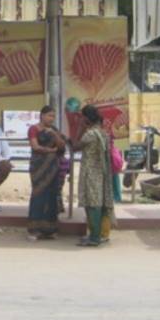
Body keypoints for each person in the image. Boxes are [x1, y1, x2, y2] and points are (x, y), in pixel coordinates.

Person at [69, 105, 116, 247]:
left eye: (83, 117)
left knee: (92, 204)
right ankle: (98, 235)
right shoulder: (103, 133)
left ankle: (94, 237)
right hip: (101, 172)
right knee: (99, 203)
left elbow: (75, 146)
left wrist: (79, 128)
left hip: (90, 172)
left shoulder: (90, 134)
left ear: (87, 118)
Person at [26, 106, 67, 241]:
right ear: (42, 115)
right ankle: (34, 230)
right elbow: (35, 146)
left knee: (51, 196)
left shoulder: (54, 130)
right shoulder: (34, 129)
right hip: (38, 167)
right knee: (38, 195)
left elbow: (62, 147)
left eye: (53, 116)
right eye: (49, 115)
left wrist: (54, 135)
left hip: (52, 168)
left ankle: (49, 230)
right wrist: (51, 151)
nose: (51, 118)